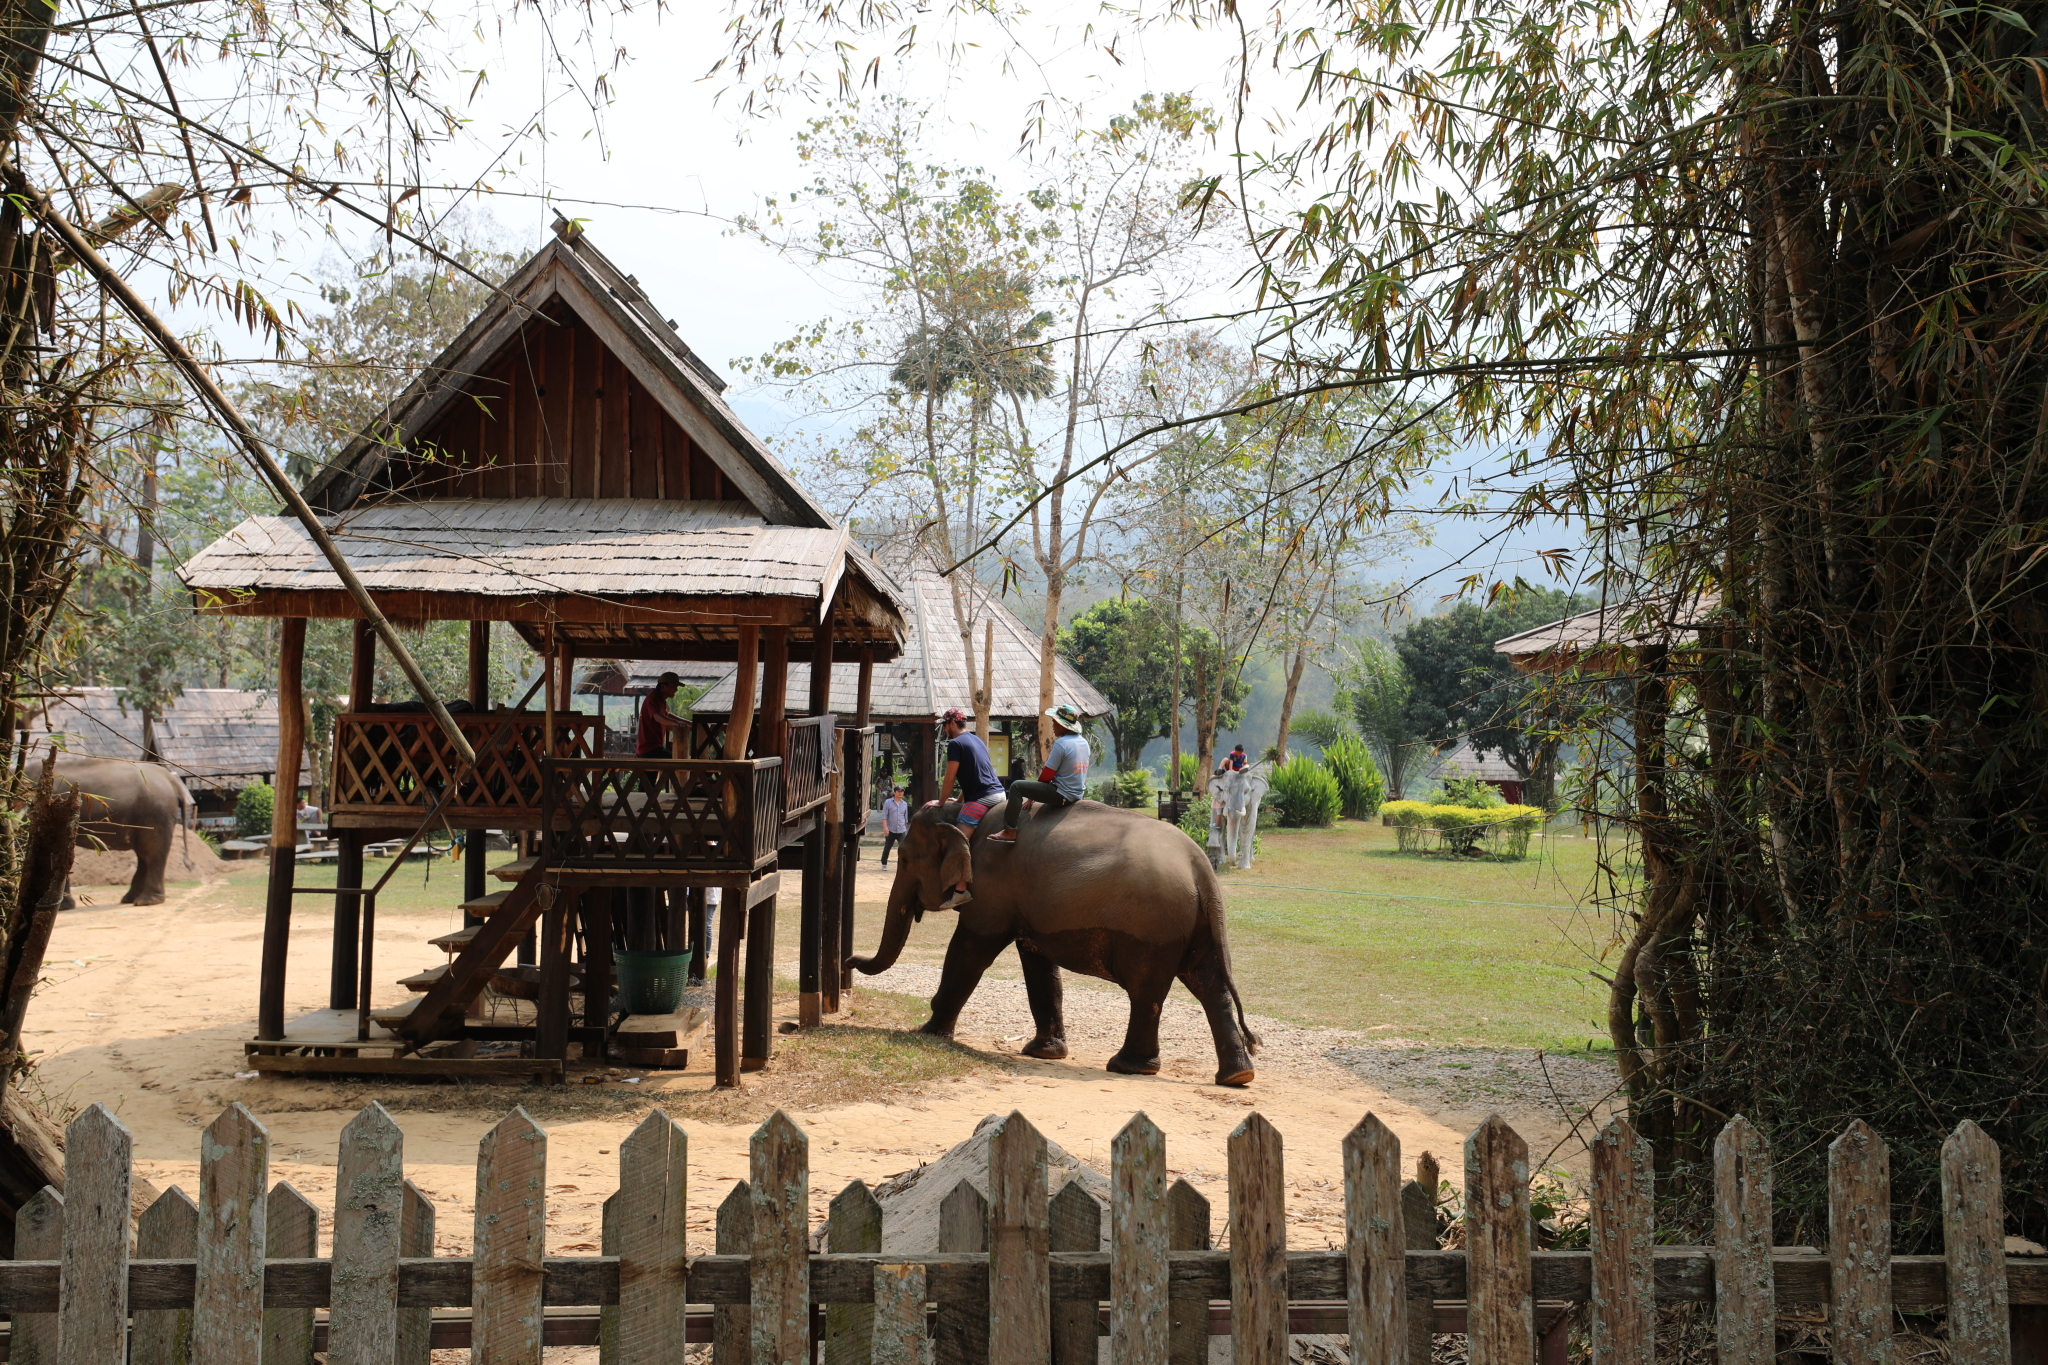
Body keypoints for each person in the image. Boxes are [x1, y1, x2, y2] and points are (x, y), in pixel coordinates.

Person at [931, 706, 1004, 907]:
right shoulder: (976, 740)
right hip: (998, 794)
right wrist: (961, 799)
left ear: (952, 723)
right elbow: (976, 774)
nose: (945, 729)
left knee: (957, 842)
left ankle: (960, 891)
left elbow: (950, 776)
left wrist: (941, 802)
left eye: (945, 725)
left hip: (983, 798)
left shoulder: (955, 744)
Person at [990, 703, 1089, 843]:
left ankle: (1009, 830)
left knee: (1016, 786)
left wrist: (1031, 796)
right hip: (1077, 793)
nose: (1053, 726)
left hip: (1061, 794)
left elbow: (1047, 775)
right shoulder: (1083, 742)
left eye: (1055, 722)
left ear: (1063, 725)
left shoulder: (1062, 744)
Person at [637, 672, 691, 757]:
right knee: (680, 761)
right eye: (673, 687)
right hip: (649, 750)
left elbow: (667, 716)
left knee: (679, 760)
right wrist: (676, 722)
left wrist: (690, 723)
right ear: (663, 687)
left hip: (654, 749)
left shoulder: (660, 699)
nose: (676, 690)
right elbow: (657, 717)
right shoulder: (653, 698)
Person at [879, 786, 910, 866]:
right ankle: (884, 863)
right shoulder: (888, 802)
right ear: (894, 792)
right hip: (891, 829)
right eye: (899, 791)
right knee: (887, 847)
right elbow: (884, 816)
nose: (900, 793)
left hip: (901, 830)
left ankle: (903, 864)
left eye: (902, 792)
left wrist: (905, 827)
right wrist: (885, 827)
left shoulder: (904, 804)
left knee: (903, 848)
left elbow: (905, 817)